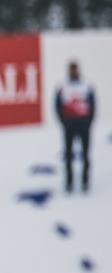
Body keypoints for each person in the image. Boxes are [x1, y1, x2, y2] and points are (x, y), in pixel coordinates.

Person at [55, 60, 96, 193]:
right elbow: (57, 105)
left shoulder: (86, 85)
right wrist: (63, 121)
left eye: (75, 69)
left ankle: (85, 181)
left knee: (85, 154)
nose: (73, 72)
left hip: (83, 124)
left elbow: (93, 105)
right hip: (69, 124)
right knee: (68, 154)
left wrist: (88, 122)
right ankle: (69, 182)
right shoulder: (62, 86)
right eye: (71, 69)